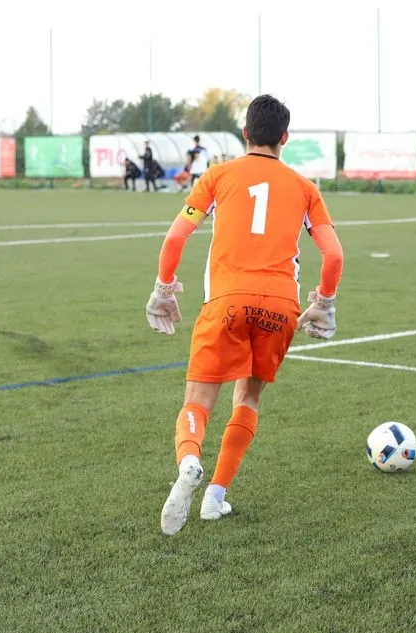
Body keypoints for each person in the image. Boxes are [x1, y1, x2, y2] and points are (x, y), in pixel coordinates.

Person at [146, 94, 345, 536]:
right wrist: (325, 303)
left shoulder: (217, 176)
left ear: (245, 134)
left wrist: (164, 290)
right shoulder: (305, 188)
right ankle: (215, 497)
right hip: (279, 307)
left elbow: (175, 238)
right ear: (284, 138)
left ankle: (190, 460)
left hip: (226, 302)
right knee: (249, 398)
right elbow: (334, 255)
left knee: (197, 401)